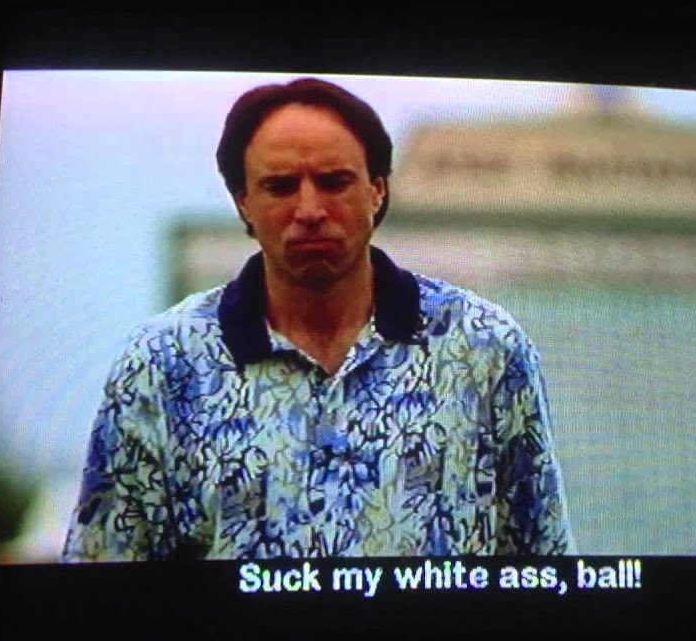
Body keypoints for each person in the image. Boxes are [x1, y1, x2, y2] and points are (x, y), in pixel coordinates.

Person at [63, 78, 573, 560]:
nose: (309, 210)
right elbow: (104, 575)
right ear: (243, 203)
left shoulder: (483, 347)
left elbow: (546, 563)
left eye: (334, 182)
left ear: (377, 191)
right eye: (281, 186)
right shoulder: (161, 364)